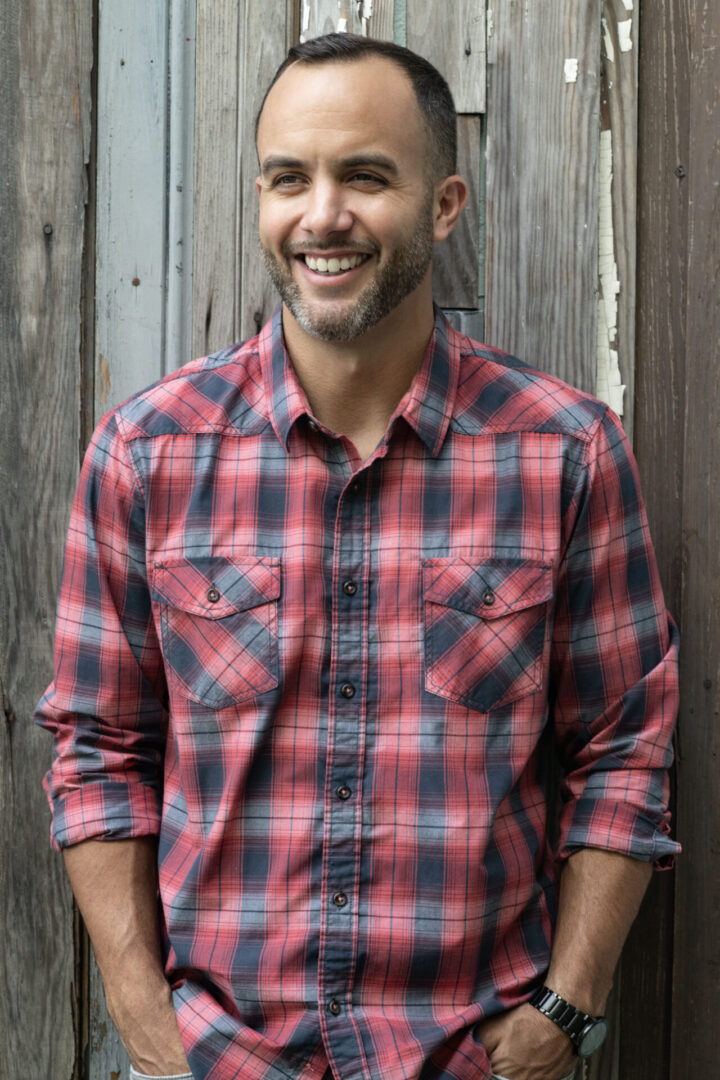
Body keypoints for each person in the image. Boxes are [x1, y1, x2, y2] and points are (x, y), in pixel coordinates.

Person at [34, 33, 680, 1080]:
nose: (321, 214)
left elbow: (623, 749)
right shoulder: (147, 454)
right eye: (290, 178)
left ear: (445, 205)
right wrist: (139, 1005)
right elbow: (100, 745)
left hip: (472, 1060)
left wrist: (570, 1005)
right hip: (222, 1059)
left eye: (366, 176)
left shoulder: (565, 454)